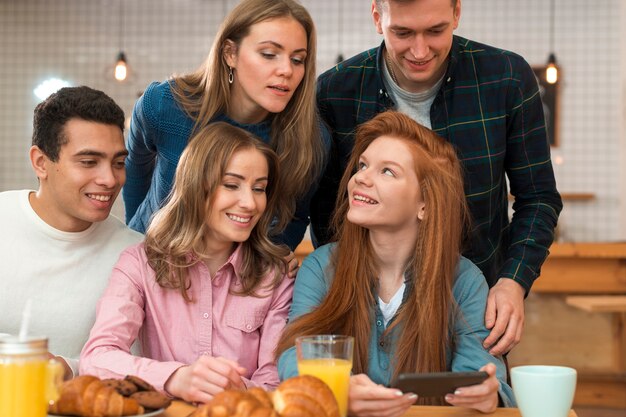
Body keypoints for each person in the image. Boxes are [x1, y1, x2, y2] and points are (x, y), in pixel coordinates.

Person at [310, 0, 563, 356]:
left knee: (474, 400)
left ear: (457, 12)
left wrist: (512, 282)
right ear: (377, 18)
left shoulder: (505, 78)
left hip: (476, 312)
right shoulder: (335, 91)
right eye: (402, 32)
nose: (419, 50)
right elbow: (325, 212)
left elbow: (539, 199)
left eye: (435, 31)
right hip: (367, 318)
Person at [277, 111, 515, 417]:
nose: (360, 177)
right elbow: (291, 355)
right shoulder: (321, 267)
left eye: (387, 171)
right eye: (362, 165)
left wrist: (486, 396)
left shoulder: (465, 280)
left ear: (425, 205)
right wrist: (337, 389)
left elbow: (482, 375)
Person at [81, 122, 294, 404]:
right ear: (196, 186)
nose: (250, 203)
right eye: (232, 185)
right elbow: (96, 358)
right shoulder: (139, 264)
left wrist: (234, 388)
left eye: (259, 188)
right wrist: (176, 378)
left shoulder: (276, 277)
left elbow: (275, 386)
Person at [123, 0, 328, 257]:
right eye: (268, 54)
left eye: (298, 59)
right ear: (230, 53)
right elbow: (134, 167)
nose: (287, 70)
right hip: (149, 265)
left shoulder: (311, 137)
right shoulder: (164, 105)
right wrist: (131, 241)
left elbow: (296, 214)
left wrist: (272, 257)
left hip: (232, 283)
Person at [0, 86, 142, 379]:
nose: (109, 179)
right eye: (88, 162)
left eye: (118, 163)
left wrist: (69, 369)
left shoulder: (136, 255)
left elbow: (140, 362)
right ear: (41, 162)